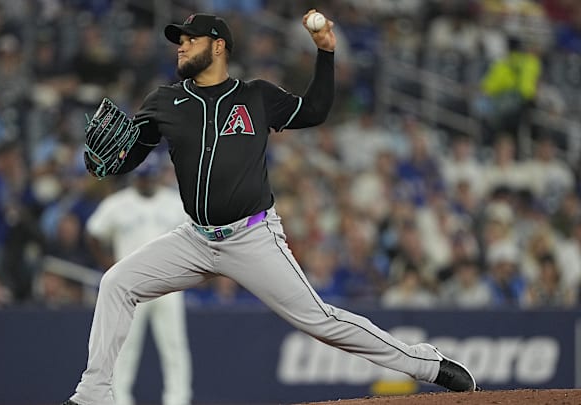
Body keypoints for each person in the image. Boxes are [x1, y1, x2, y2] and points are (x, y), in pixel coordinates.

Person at [62, 10, 477, 405]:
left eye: (190, 39)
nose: (181, 47)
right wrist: (107, 162)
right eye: (179, 41)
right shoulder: (164, 100)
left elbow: (314, 111)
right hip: (194, 238)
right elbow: (133, 153)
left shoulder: (255, 96)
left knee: (321, 321)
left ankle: (425, 364)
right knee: (117, 283)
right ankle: (94, 392)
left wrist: (326, 51)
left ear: (219, 45)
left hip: (252, 236)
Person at [85, 153, 192, 405]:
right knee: (124, 349)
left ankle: (178, 400)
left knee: (174, 347)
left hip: (169, 285)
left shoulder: (175, 202)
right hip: (132, 289)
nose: (147, 182)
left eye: (150, 176)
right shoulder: (118, 204)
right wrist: (110, 266)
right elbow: (93, 233)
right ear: (135, 178)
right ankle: (120, 400)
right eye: (143, 178)